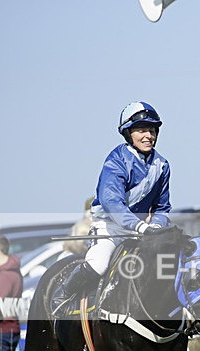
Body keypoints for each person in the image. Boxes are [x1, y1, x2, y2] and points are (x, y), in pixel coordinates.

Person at [52, 101, 171, 315]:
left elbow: (162, 208)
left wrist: (155, 226)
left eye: (152, 130)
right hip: (110, 226)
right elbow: (112, 203)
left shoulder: (162, 165)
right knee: (99, 264)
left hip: (142, 232)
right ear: (128, 133)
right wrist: (140, 227)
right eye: (142, 130)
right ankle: (62, 295)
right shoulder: (116, 161)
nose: (149, 136)